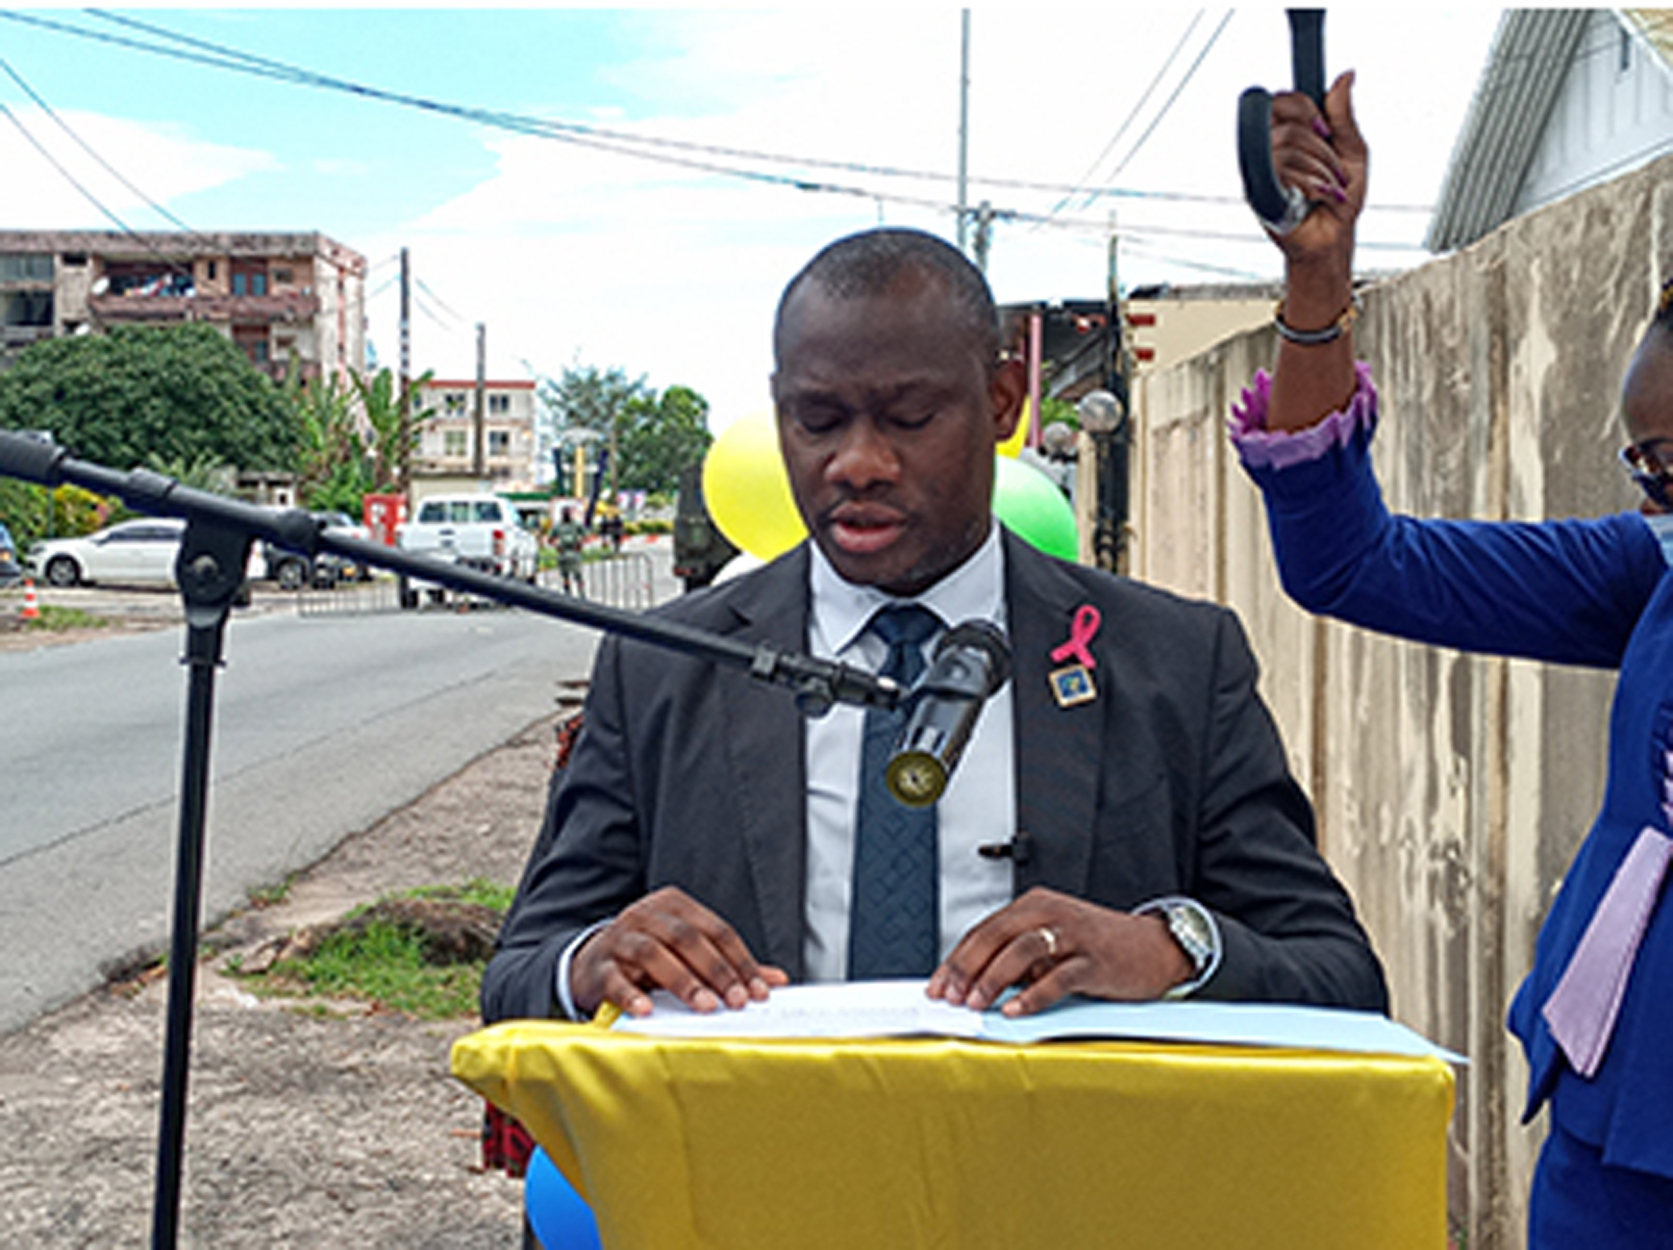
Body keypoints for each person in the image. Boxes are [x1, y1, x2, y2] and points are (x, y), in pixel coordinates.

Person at [484, 227, 1386, 1028]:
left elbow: (1338, 974)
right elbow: (521, 971)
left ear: (1003, 401)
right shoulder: (662, 666)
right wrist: (592, 959)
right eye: (816, 420)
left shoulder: (1175, 662)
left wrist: (1169, 949)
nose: (857, 463)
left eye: (909, 419)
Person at [1231, 74, 1673, 1247]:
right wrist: (1317, 282)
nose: (1658, 500)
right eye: (1648, 468)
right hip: (1616, 1133)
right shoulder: (1650, 574)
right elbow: (1350, 562)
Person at [552, 506, 586, 598]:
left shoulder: (576, 524)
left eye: (568, 513)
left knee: (578, 574)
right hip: (563, 553)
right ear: (562, 514)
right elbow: (550, 539)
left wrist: (580, 543)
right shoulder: (558, 526)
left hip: (574, 552)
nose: (566, 514)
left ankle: (582, 593)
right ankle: (567, 593)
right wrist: (557, 546)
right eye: (565, 513)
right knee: (565, 576)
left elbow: (585, 535)